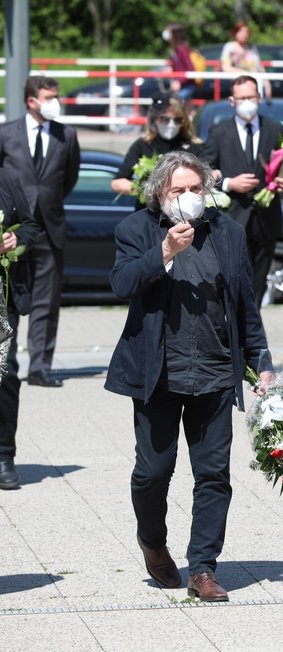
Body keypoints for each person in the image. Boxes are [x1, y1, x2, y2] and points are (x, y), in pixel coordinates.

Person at [104, 150, 274, 601]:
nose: (187, 197)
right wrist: (164, 252)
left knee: (214, 475)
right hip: (157, 374)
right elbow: (121, 285)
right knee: (152, 472)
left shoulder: (228, 233)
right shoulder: (135, 230)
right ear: (160, 193)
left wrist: (262, 359)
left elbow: (244, 303)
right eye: (177, 190)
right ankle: (153, 542)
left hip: (216, 371)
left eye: (195, 189)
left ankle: (202, 568)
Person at [0, 76, 81, 389]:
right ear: (31, 101)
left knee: (46, 301)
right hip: (13, 231)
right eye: (49, 97)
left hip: (50, 227)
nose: (54, 102)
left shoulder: (67, 135)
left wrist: (50, 201)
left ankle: (41, 367)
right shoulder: (6, 133)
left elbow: (69, 177)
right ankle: (6, 362)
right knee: (8, 297)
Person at [202, 75, 283, 304]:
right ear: (232, 101)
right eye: (241, 98)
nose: (246, 102)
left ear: (259, 98)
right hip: (232, 217)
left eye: (251, 97)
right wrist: (228, 183)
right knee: (233, 282)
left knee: (257, 285)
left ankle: (252, 332)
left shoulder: (275, 128)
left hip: (266, 219)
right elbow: (203, 173)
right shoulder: (219, 132)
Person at [0, 168, 40, 490]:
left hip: (4, 295)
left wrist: (17, 238)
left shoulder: (7, 180)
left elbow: (30, 225)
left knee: (5, 372)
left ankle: (3, 455)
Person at [111, 93, 206, 211]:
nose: (171, 125)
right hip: (150, 214)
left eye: (177, 120)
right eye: (165, 119)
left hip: (187, 213)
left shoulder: (194, 146)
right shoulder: (143, 145)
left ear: (184, 121)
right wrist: (147, 190)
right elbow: (117, 182)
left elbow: (209, 176)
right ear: (155, 119)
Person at [220, 21, 272, 100]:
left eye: (246, 32)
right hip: (238, 84)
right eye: (241, 31)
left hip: (255, 84)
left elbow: (259, 66)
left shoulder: (252, 48)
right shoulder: (230, 47)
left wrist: (267, 84)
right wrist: (244, 73)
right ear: (235, 32)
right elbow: (225, 67)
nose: (244, 34)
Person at [162, 23, 197, 103]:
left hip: (187, 86)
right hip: (180, 85)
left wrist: (179, 82)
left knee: (175, 104)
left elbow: (190, 69)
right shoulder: (175, 49)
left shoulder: (182, 49)